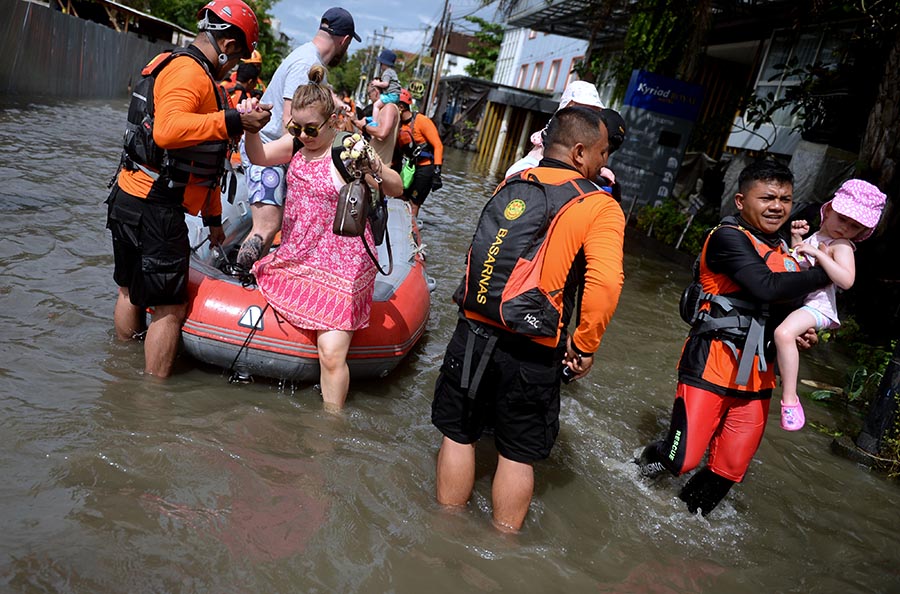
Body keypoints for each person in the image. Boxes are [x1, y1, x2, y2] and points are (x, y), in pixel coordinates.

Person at [431, 106, 625, 532]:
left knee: (458, 434)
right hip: (533, 347)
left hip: (474, 328)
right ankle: (502, 549)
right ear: (579, 152)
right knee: (516, 453)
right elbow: (606, 284)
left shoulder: (513, 182)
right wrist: (586, 345)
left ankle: (442, 533)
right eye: (603, 153)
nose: (604, 162)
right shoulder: (599, 206)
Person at [637, 160, 832, 516]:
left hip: (758, 374)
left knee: (730, 467)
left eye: (786, 199)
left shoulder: (789, 253)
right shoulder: (727, 237)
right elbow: (765, 286)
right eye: (768, 197)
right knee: (683, 459)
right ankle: (641, 469)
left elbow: (784, 306)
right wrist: (830, 273)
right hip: (710, 364)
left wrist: (801, 332)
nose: (778, 206)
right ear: (741, 201)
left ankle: (683, 521)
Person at [106, 0, 271, 378]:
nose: (236, 64)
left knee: (129, 289)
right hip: (155, 205)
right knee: (169, 308)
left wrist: (214, 219)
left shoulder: (176, 65)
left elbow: (202, 161)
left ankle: (119, 373)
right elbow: (167, 131)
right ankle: (152, 403)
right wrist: (236, 119)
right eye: (239, 54)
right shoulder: (190, 73)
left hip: (129, 193)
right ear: (227, 44)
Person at [239, 65, 403, 409]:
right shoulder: (298, 144)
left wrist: (373, 166)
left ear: (331, 121)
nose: (302, 134)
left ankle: (331, 427)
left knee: (330, 354)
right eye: (294, 127)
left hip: (343, 265)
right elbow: (259, 157)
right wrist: (252, 129)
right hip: (299, 255)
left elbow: (397, 188)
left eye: (310, 128)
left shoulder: (347, 151)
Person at [236, 6, 360, 269]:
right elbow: (290, 123)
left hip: (272, 148)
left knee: (273, 226)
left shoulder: (308, 58)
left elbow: (312, 96)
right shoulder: (307, 63)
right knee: (267, 226)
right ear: (345, 41)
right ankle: (240, 274)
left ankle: (256, 276)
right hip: (269, 148)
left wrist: (336, 102)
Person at [774, 179, 886, 430]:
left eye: (854, 226)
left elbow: (846, 280)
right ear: (828, 211)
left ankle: (790, 399)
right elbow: (799, 266)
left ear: (860, 232)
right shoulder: (819, 236)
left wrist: (821, 255)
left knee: (783, 333)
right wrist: (797, 239)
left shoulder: (842, 246)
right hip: (803, 303)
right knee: (784, 335)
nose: (845, 228)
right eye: (842, 218)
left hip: (819, 307)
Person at [505, 80, 624, 198]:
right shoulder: (524, 168)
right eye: (586, 110)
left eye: (594, 112)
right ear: (569, 107)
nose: (591, 118)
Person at [396, 88, 444, 218]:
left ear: (400, 107)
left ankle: (411, 230)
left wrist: (437, 172)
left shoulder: (421, 121)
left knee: (414, 203)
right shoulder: (397, 125)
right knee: (400, 196)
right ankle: (399, 225)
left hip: (426, 168)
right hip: (410, 167)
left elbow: (438, 145)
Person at [355, 81, 400, 167]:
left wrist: (364, 127)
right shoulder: (381, 109)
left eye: (369, 94)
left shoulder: (389, 107)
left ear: (376, 92)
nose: (369, 98)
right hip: (373, 164)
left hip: (379, 167)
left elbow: (382, 133)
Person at [366, 49, 402, 126]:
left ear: (384, 63)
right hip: (396, 96)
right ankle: (374, 117)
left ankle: (374, 122)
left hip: (391, 95)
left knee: (376, 105)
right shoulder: (392, 72)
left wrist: (377, 83)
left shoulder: (386, 73)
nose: (380, 66)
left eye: (381, 63)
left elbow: (385, 84)